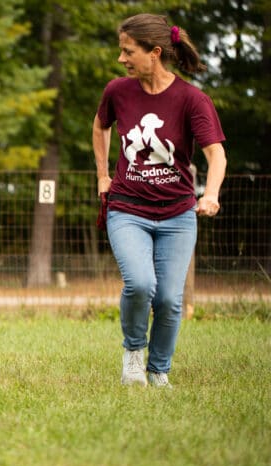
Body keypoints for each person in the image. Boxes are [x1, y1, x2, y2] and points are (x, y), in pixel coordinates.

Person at [92, 14, 227, 388]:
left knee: (169, 298)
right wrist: (103, 174)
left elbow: (216, 155)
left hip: (178, 214)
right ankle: (134, 356)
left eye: (127, 51)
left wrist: (211, 194)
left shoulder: (191, 99)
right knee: (139, 283)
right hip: (127, 208)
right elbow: (100, 124)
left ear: (154, 52)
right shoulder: (118, 91)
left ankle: (159, 371)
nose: (121, 59)